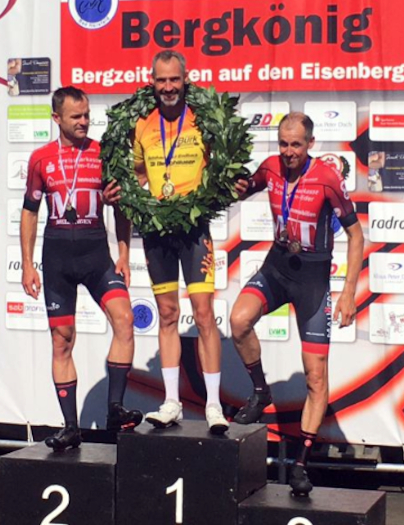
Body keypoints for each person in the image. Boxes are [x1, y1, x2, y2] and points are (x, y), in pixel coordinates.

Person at [230, 112, 364, 496]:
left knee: (315, 375)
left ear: (310, 144)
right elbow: (244, 188)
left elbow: (356, 236)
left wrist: (349, 290)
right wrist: (234, 182)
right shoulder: (270, 167)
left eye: (296, 145)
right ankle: (261, 391)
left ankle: (302, 463)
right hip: (277, 267)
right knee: (238, 322)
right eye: (283, 143)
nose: (289, 152)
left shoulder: (326, 178)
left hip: (312, 281)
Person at [21, 86, 142, 451]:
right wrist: (27, 264)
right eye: (76, 116)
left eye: (87, 115)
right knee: (63, 340)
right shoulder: (41, 159)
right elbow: (30, 211)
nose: (84, 122)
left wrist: (123, 252)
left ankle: (115, 409)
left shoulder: (103, 154)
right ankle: (70, 426)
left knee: (125, 320)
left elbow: (121, 206)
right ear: (56, 118)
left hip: (96, 256)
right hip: (58, 257)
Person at [132, 50, 230, 434]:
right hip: (157, 230)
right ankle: (171, 402)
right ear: (152, 81)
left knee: (204, 314)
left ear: (185, 80)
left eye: (174, 80)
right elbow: (137, 173)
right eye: (161, 80)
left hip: (193, 230)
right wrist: (127, 194)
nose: (168, 87)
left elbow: (221, 167)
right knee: (168, 314)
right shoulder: (142, 123)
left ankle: (214, 406)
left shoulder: (203, 118)